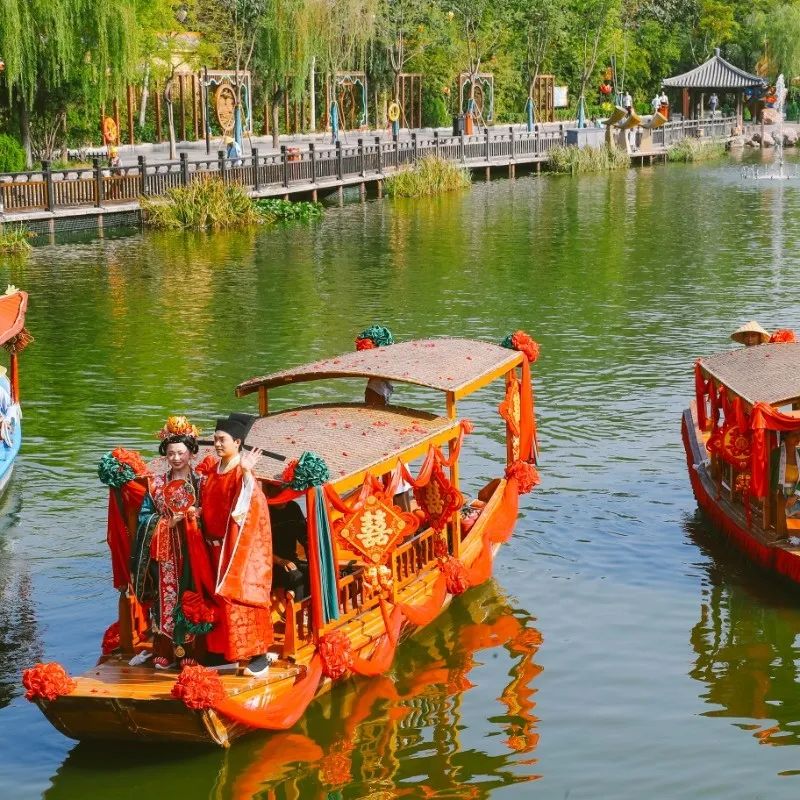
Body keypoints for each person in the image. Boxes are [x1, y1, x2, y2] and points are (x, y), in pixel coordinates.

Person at [197, 412, 274, 677]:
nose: (217, 444)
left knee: (241, 597)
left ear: (237, 442)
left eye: (223, 440)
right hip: (213, 547)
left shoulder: (242, 471)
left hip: (236, 545)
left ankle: (258, 654)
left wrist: (247, 471)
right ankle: (223, 652)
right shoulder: (213, 470)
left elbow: (252, 504)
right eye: (215, 439)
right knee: (215, 599)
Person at [131, 416, 209, 669]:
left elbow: (215, 513)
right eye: (171, 453)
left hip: (194, 548)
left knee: (192, 595)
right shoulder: (156, 485)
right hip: (165, 551)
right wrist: (167, 523)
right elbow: (144, 518)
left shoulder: (202, 482)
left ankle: (192, 650)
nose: (176, 458)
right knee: (165, 597)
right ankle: (164, 648)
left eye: (181, 453)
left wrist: (199, 514)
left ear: (191, 453)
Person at [267, 488, 309, 601]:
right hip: (271, 564)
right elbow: (259, 549)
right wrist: (280, 561)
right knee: (296, 576)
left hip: (292, 559)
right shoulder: (264, 510)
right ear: (268, 492)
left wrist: (314, 559)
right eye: (277, 492)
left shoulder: (293, 507)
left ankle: (309, 607)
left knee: (312, 572)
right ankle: (298, 610)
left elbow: (304, 536)